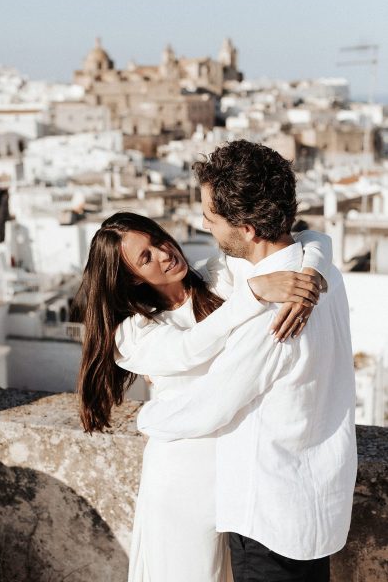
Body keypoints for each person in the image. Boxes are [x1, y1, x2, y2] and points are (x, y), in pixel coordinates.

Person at [73, 205, 331, 582]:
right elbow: (190, 347)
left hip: (241, 471)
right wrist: (253, 294)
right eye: (146, 257)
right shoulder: (132, 333)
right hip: (182, 481)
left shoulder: (218, 278)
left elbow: (311, 240)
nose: (165, 253)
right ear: (131, 279)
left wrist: (313, 270)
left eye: (158, 240)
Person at [137, 141, 357, 582]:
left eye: (211, 218)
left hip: (270, 516)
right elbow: (315, 241)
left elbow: (213, 404)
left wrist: (148, 417)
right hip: (318, 504)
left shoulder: (274, 312)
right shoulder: (321, 274)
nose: (203, 226)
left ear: (250, 229)